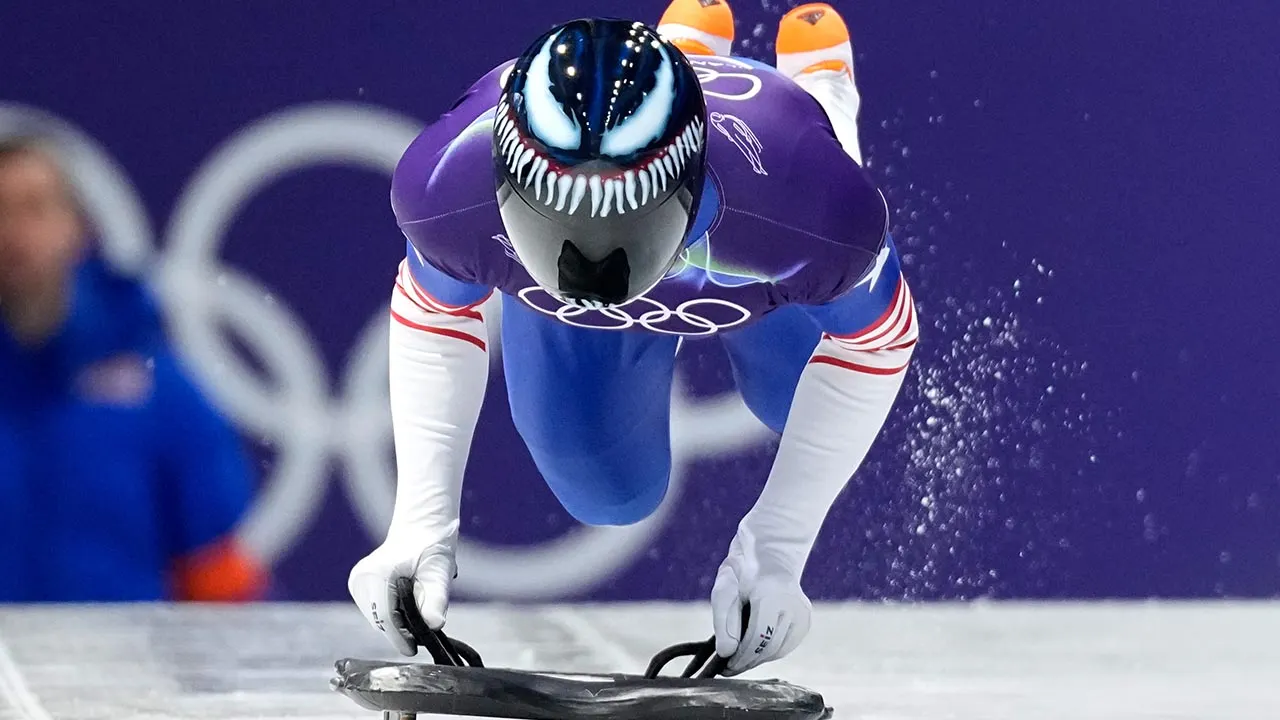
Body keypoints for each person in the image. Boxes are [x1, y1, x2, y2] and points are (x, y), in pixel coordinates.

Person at [350, 1, 917, 675]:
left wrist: (777, 548)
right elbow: (434, 314)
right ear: (500, 180)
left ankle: (825, 105)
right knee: (610, 494)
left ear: (687, 186)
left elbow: (878, 343)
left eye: (622, 227)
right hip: (733, 243)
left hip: (758, 224)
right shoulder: (446, 185)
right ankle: (687, 54)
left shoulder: (809, 207)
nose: (592, 269)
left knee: (792, 403)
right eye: (555, 223)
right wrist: (418, 523)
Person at [0, 136, 266, 603]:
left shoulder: (157, 388)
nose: (13, 232)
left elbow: (216, 575)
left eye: (34, 208)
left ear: (77, 227)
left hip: (123, 650)